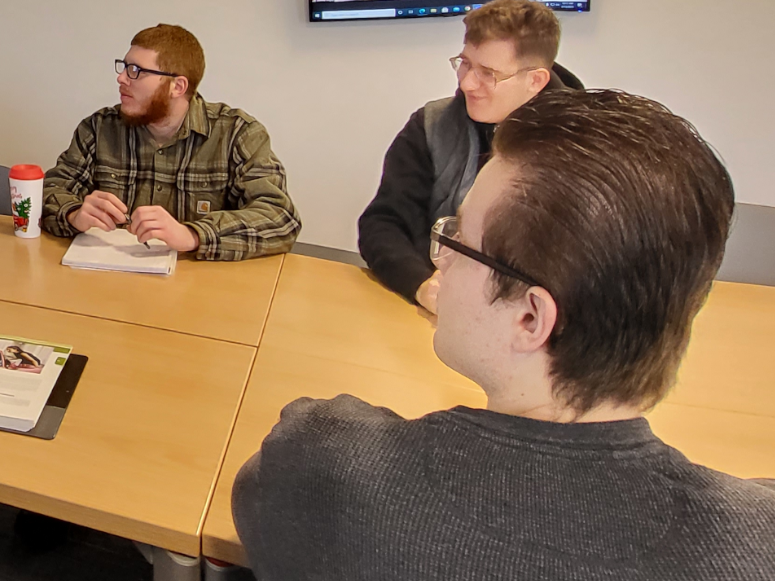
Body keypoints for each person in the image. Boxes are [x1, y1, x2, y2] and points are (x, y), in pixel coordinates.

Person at [233, 88, 775, 579]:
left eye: (460, 240)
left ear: (531, 319)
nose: (438, 258)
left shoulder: (320, 464)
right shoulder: (755, 540)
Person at [358, 0, 580, 312]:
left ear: (535, 80)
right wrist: (421, 286)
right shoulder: (431, 125)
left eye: (488, 73)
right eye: (464, 63)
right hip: (438, 316)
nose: (466, 83)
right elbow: (382, 224)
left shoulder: (585, 149)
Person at [39, 24, 300, 260]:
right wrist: (73, 214)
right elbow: (48, 190)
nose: (121, 78)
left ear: (177, 86)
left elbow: (280, 218)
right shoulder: (98, 128)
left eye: (136, 71)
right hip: (107, 285)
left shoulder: (238, 134)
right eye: (124, 66)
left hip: (200, 294)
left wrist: (193, 235)